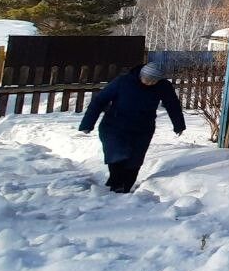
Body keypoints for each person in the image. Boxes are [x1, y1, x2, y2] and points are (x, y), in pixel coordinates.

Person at [78, 62, 185, 193]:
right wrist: (87, 124)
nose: (150, 83)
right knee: (117, 154)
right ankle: (117, 184)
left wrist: (179, 125)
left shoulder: (163, 86)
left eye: (154, 81)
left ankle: (126, 187)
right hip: (115, 125)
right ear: (141, 75)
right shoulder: (123, 82)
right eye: (147, 79)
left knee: (135, 160)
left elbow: (173, 105)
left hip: (143, 128)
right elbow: (99, 100)